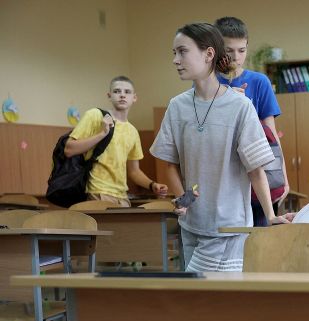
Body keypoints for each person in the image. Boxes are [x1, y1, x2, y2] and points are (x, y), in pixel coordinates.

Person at [150, 23, 292, 273]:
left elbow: (255, 170)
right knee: (199, 294)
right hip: (191, 227)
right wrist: (183, 200)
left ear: (208, 54)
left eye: (182, 52)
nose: (175, 60)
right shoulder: (176, 107)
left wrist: (270, 216)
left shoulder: (240, 106)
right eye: (174, 53)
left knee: (219, 294)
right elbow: (170, 164)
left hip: (230, 228)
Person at [214, 16, 289, 226]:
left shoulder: (259, 81)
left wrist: (283, 177)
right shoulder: (206, 84)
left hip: (258, 174)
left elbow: (271, 136)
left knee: (261, 235)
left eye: (242, 50)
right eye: (229, 50)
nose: (236, 57)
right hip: (224, 176)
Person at [64, 76, 168, 207]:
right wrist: (102, 134)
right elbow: (69, 149)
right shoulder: (95, 115)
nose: (122, 95)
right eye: (117, 91)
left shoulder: (132, 131)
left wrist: (152, 185)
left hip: (122, 197)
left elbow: (134, 171)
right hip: (97, 192)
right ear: (109, 95)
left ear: (134, 98)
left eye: (127, 92)